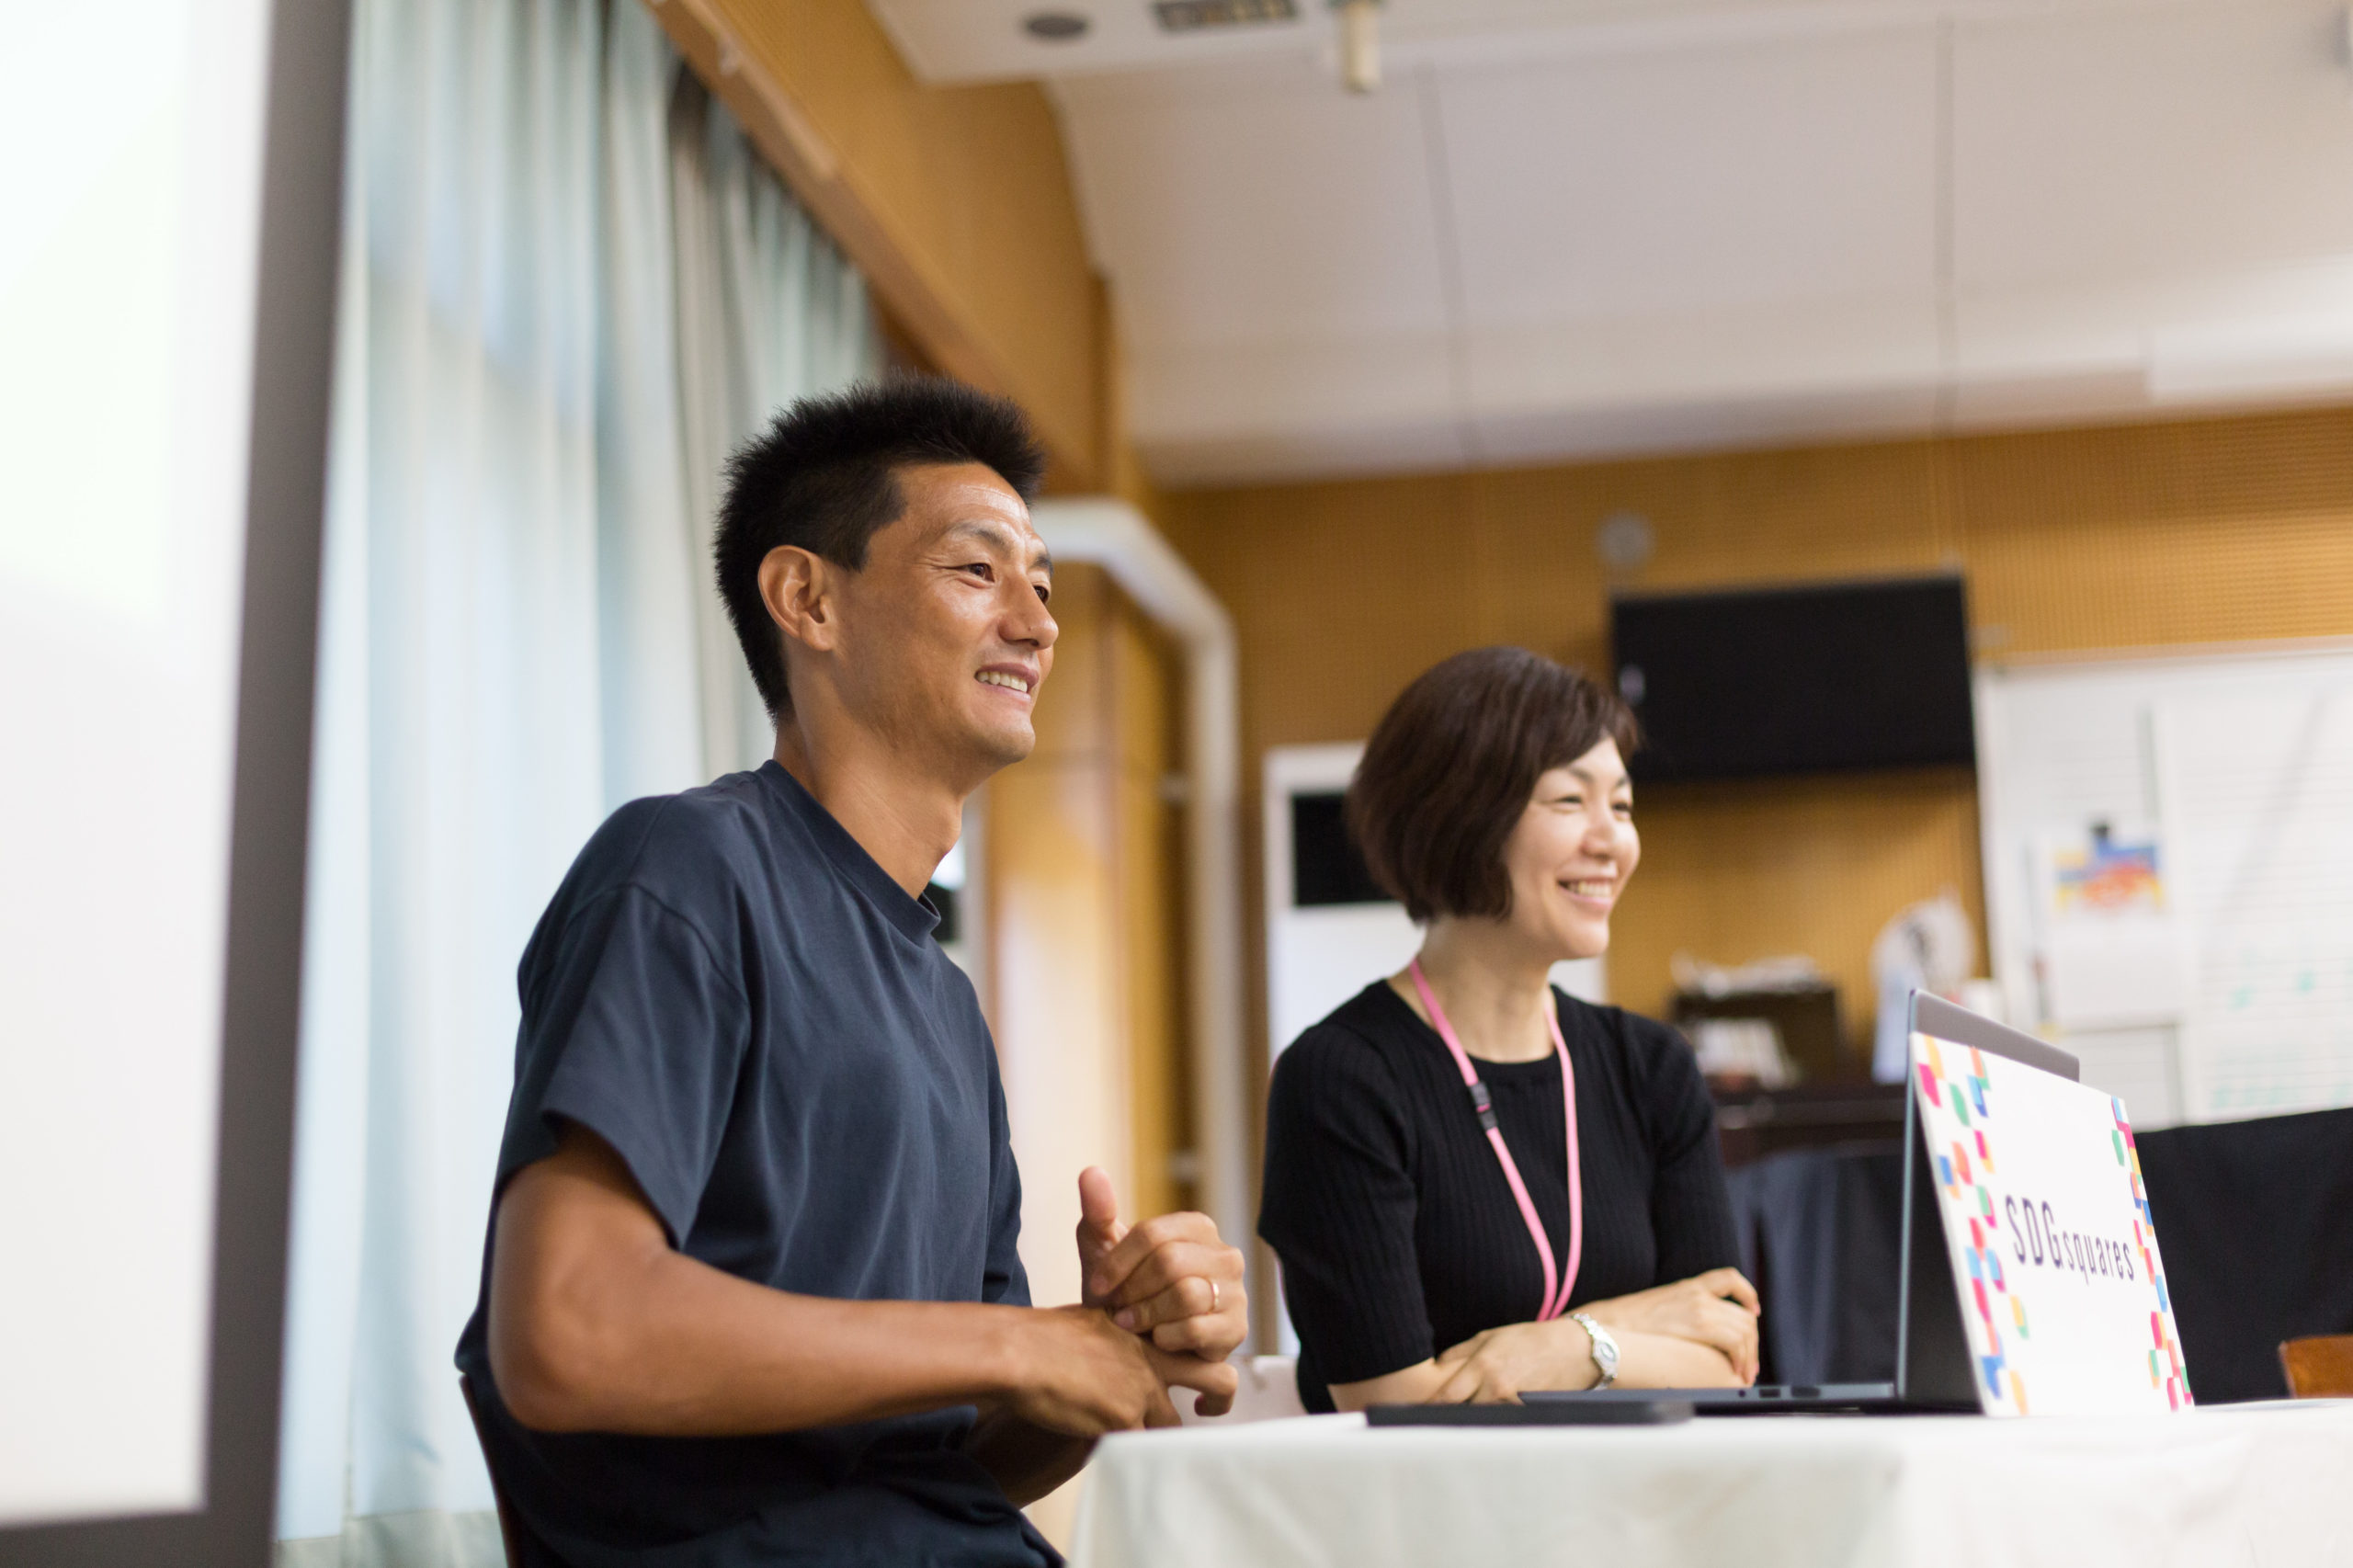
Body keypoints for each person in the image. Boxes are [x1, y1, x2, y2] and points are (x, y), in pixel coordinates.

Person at [454, 379, 1247, 1568]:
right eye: (978, 573)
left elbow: (950, 1465)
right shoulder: (686, 866)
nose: (1036, 622)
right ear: (808, 598)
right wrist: (1018, 1348)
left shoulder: (941, 995)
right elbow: (566, 1330)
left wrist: (1103, 1344)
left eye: (1042, 583)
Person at [1258, 646, 1756, 1412]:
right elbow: (1393, 1406)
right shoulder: (1341, 1078)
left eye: (1620, 806)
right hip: (1431, 1522)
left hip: (1640, 1513)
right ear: (1461, 814)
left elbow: (1727, 1359)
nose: (1612, 841)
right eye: (1570, 802)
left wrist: (1569, 1345)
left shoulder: (1651, 1066)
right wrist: (1637, 1328)